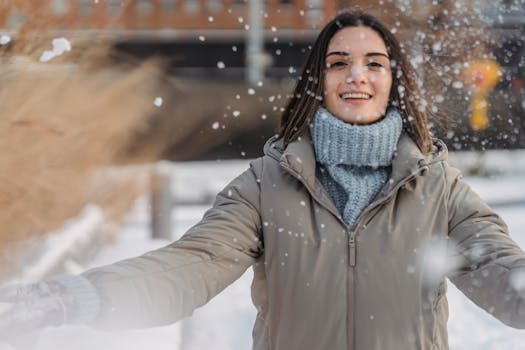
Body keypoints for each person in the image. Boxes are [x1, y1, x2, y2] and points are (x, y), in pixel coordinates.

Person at [2, 8, 525, 350]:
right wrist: (77, 296)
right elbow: (191, 264)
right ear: (318, 82)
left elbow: (506, 275)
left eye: (374, 63)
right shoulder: (265, 185)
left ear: (395, 82)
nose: (357, 76)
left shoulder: (439, 190)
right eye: (338, 62)